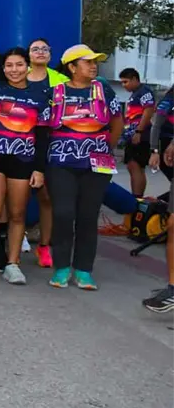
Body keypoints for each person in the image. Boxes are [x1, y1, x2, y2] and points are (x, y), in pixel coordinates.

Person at [42, 45, 123, 290]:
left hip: (96, 165)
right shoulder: (55, 92)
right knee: (63, 213)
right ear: (72, 67)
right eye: (87, 62)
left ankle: (84, 269)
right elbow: (43, 128)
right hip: (61, 163)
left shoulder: (104, 91)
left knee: (88, 216)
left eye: (94, 62)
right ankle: (61, 267)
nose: (93, 66)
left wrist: (104, 148)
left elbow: (117, 123)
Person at [0, 47, 48, 285]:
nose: (14, 70)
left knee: (17, 214)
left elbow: (43, 136)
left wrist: (39, 168)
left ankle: (13, 264)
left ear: (27, 67)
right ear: (3, 68)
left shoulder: (40, 95)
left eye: (19, 65)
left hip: (24, 161)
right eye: (9, 65)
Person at [26, 37, 67, 266]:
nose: (40, 52)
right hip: (18, 142)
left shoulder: (61, 81)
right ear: (28, 54)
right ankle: (11, 242)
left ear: (50, 54)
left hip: (51, 144)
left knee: (47, 197)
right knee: (13, 199)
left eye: (44, 49)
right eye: (35, 49)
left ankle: (44, 246)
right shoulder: (17, 76)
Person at [142, 87, 174, 313]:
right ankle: (172, 288)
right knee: (173, 225)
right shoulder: (169, 98)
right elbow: (158, 121)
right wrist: (157, 149)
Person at [118, 68, 155, 197]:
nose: (123, 85)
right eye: (122, 82)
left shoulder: (144, 92)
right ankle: (137, 196)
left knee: (135, 165)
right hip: (132, 135)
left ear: (134, 79)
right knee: (132, 166)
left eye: (125, 82)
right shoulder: (135, 94)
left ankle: (137, 197)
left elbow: (149, 110)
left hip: (140, 135)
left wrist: (139, 131)